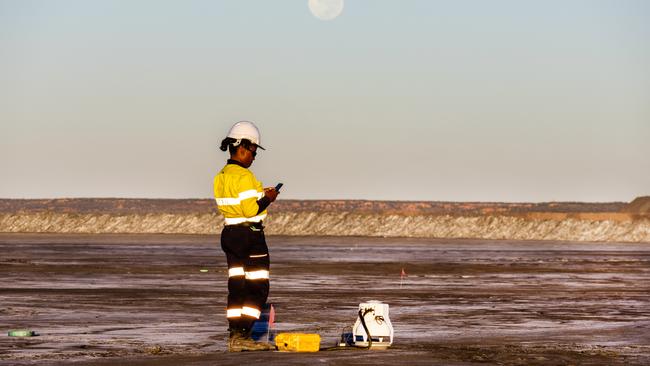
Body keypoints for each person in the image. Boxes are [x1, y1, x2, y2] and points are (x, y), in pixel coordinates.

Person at [213, 121, 279, 352]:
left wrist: (260, 194)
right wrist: (268, 198)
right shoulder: (245, 176)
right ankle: (243, 334)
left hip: (230, 234)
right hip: (250, 235)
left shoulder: (221, 176)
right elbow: (251, 210)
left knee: (237, 286)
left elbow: (237, 203)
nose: (254, 156)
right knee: (257, 286)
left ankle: (234, 334)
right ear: (243, 146)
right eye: (253, 151)